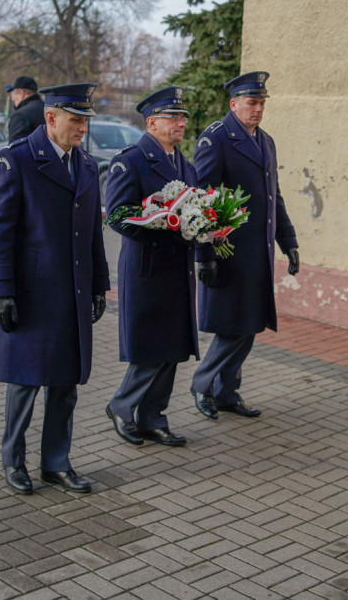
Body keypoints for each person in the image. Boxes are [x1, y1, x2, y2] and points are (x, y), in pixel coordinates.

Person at [0, 82, 109, 495]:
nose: (82, 129)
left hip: (71, 291)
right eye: (76, 121)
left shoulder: (86, 166)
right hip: (31, 292)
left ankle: (56, 462)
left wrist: (98, 285)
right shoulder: (16, 160)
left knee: (65, 382)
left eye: (86, 121)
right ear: (51, 118)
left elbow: (92, 234)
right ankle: (13, 460)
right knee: (25, 382)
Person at [191, 71, 299, 420]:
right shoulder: (216, 139)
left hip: (258, 253)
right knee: (233, 326)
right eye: (252, 102)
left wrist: (289, 241)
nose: (258, 109)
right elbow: (202, 201)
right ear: (233, 104)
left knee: (249, 324)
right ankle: (202, 385)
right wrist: (203, 253)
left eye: (262, 103)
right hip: (228, 253)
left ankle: (226, 392)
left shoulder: (265, 141)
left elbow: (273, 198)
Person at [104, 86, 198, 447]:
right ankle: (122, 406)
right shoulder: (130, 160)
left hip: (179, 268)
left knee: (173, 346)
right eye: (174, 117)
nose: (181, 123)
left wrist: (206, 228)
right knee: (151, 347)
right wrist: (160, 227)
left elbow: (194, 210)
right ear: (151, 122)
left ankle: (153, 417)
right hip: (148, 267)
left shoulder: (185, 165)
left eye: (183, 118)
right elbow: (117, 215)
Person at [5, 76, 45, 142]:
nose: (13, 99)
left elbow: (16, 149)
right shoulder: (48, 109)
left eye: (14, 100)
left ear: (21, 93)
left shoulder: (19, 116)